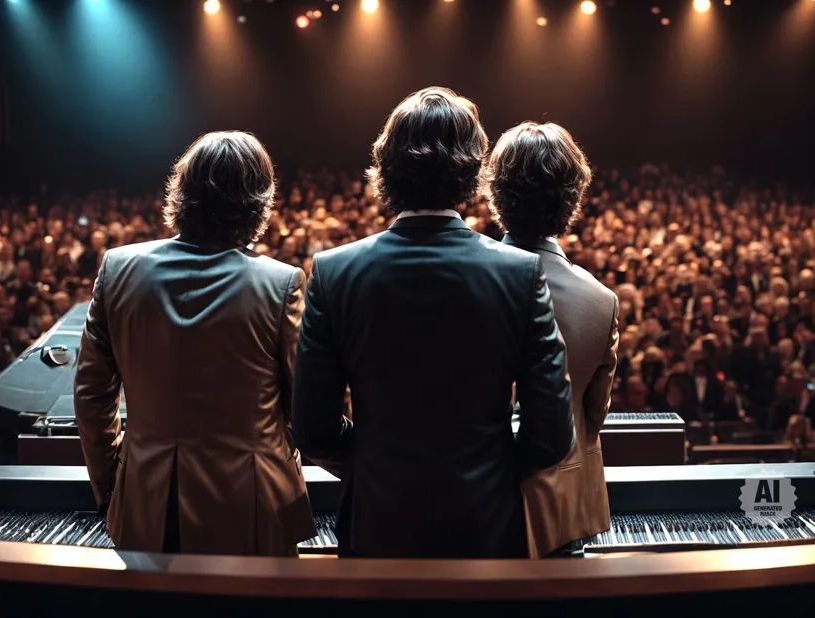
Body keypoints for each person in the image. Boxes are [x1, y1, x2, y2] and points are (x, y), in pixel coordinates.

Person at [293, 87, 573, 559]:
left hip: (378, 523)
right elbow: (550, 436)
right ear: (472, 170)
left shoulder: (334, 272)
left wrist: (371, 462)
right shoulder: (520, 273)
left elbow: (313, 429)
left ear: (386, 167)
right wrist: (491, 469)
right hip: (485, 524)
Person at [74, 131, 316, 556]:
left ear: (181, 192)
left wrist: (117, 485)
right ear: (257, 202)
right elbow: (306, 405)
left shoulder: (117, 268)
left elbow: (92, 396)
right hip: (254, 509)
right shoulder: (281, 283)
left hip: (148, 505)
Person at [484, 121, 618, 558]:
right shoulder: (601, 300)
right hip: (562, 506)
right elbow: (592, 417)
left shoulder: (469, 281)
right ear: (572, 200)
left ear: (496, 194)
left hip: (477, 501)